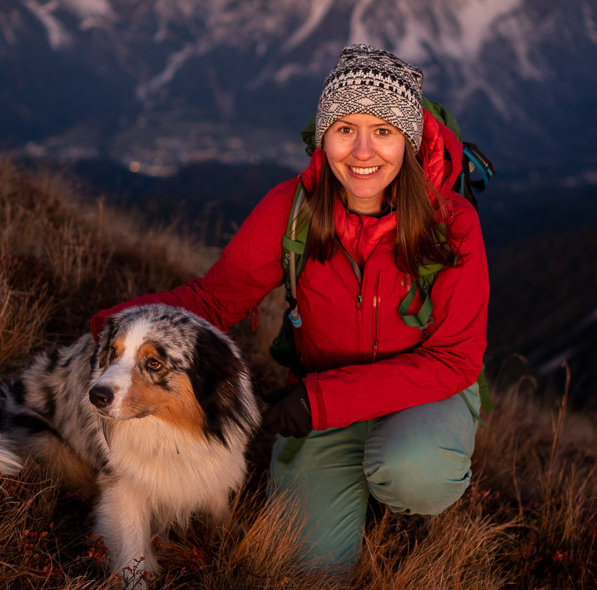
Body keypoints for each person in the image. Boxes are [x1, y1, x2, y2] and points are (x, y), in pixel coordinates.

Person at [90, 44, 488, 572]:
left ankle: (400, 502)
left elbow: (454, 360)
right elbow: (215, 299)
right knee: (309, 568)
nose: (363, 151)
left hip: (421, 395)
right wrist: (111, 326)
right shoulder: (292, 208)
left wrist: (317, 401)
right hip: (324, 401)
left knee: (414, 471)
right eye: (346, 128)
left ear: (408, 142)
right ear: (324, 136)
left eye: (384, 132)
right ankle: (355, 488)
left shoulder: (451, 222)